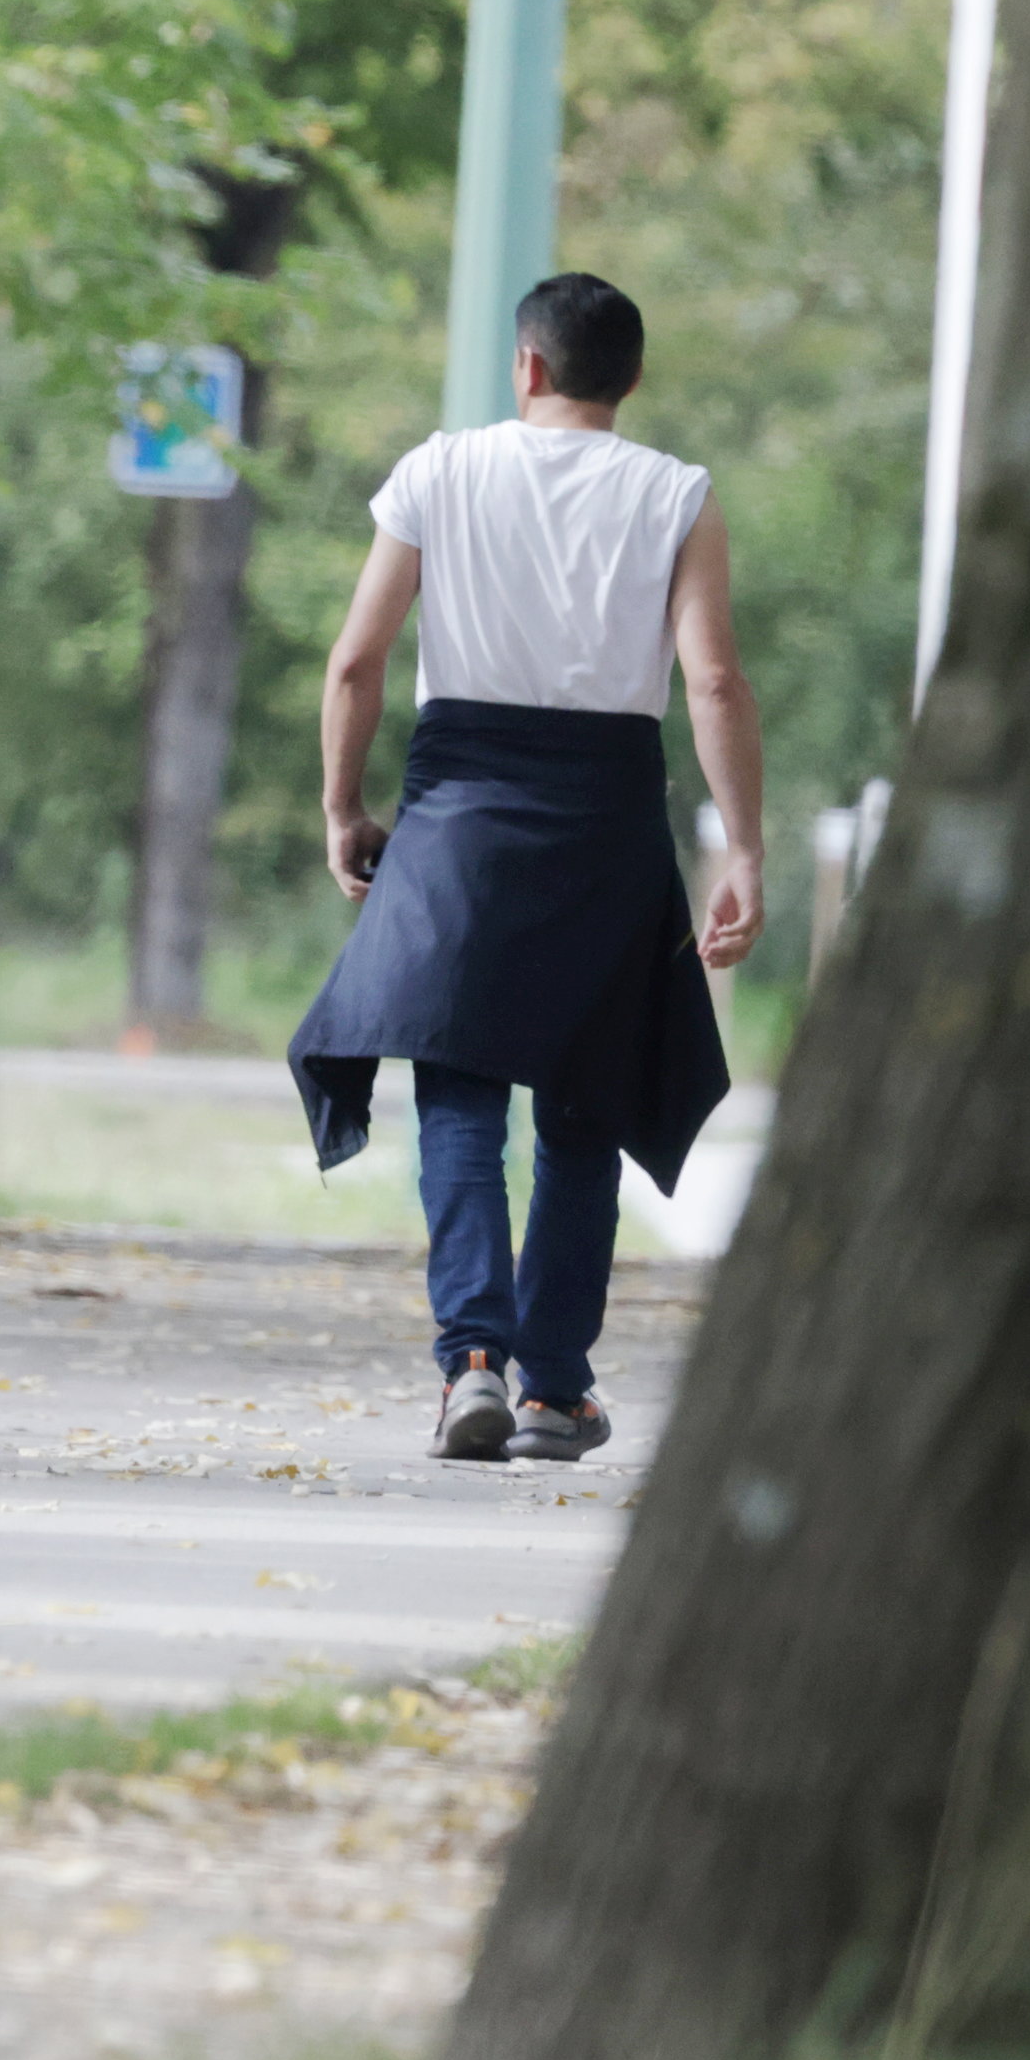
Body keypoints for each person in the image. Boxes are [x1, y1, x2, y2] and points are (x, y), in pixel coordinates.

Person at [290, 274, 759, 1463]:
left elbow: (356, 661)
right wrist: (742, 844)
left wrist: (344, 804)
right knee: (582, 1107)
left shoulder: (437, 472)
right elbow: (710, 682)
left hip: (457, 807)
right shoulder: (674, 493)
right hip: (604, 816)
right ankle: (553, 1388)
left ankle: (472, 1364)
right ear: (628, 380)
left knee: (455, 1090)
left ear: (527, 367)